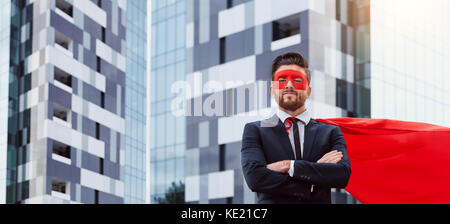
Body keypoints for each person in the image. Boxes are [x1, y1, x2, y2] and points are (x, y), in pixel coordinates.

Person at [241, 52, 351, 204]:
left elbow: (342, 175)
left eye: (297, 80)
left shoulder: (330, 132)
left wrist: (289, 166)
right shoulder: (255, 130)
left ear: (308, 91)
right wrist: (313, 178)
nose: (289, 85)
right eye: (282, 79)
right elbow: (255, 178)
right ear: (272, 90)